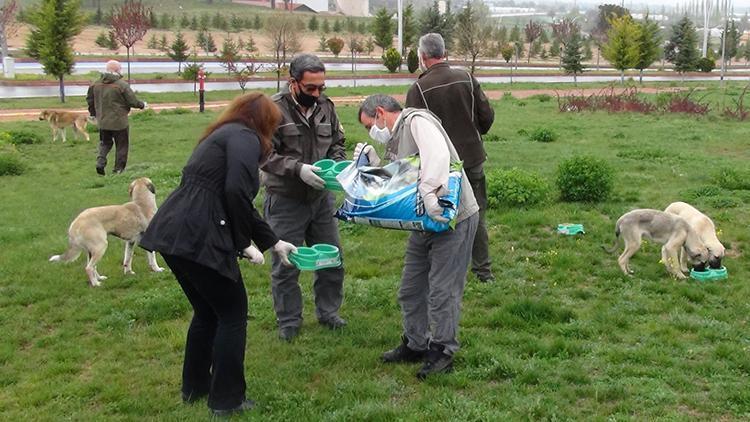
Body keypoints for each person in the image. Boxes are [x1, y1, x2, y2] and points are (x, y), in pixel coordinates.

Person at [139, 93, 297, 417]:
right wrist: (241, 243)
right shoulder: (245, 137)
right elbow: (236, 191)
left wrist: (273, 242)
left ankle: (195, 388)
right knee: (232, 313)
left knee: (208, 312)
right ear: (265, 122)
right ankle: (227, 400)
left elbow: (233, 195)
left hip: (174, 230)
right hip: (199, 232)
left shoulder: (221, 134)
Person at [354, 94, 479, 380]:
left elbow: (437, 156)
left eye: (368, 125)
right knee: (410, 289)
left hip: (452, 218)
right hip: (424, 224)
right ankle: (415, 343)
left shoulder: (417, 121)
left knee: (442, 291)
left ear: (381, 113)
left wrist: (432, 190)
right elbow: (404, 180)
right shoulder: (397, 137)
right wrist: (375, 168)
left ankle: (442, 351)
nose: (371, 132)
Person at [260, 54, 348, 342]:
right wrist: (297, 169)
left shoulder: (326, 107)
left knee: (332, 258)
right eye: (310, 88)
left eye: (321, 87)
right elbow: (263, 155)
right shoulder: (272, 110)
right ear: (293, 83)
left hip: (321, 199)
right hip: (285, 199)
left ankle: (328, 313)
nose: (317, 93)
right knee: (287, 263)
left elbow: (337, 142)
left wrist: (337, 165)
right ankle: (289, 321)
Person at [405, 33, 496, 283]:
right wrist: (475, 133)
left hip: (441, 166)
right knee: (476, 215)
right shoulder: (466, 77)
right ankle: (483, 272)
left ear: (423, 57)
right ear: (444, 53)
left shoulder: (418, 89)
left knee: (439, 215)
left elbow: (413, 131)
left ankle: (442, 272)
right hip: (473, 158)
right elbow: (486, 116)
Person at [86, 60, 147, 176]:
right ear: (117, 70)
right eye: (120, 68)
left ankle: (100, 161)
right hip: (119, 122)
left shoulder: (95, 84)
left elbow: (90, 100)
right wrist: (142, 105)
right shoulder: (121, 85)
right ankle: (118, 170)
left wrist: (94, 114)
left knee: (105, 143)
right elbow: (132, 101)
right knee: (122, 146)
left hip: (103, 121)